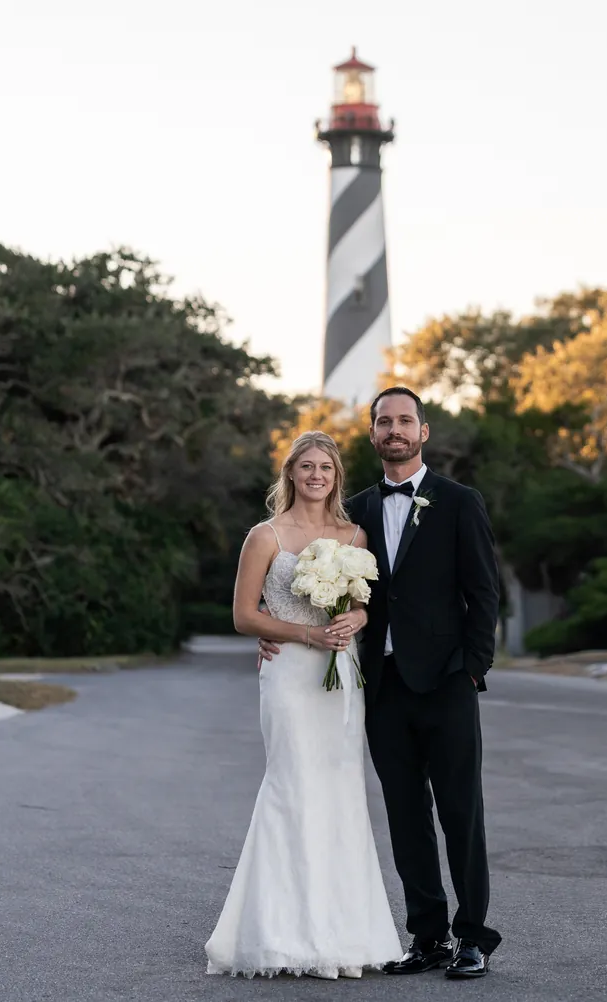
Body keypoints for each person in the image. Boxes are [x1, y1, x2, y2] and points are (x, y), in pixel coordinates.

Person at [260, 386, 503, 979]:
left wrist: (473, 668)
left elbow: (484, 592)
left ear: (423, 432)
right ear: (372, 434)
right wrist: (273, 630)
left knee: (461, 811)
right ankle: (428, 935)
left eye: (405, 421)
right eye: (384, 422)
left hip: (447, 682)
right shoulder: (355, 513)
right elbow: (308, 588)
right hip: (381, 684)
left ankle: (473, 936)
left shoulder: (459, 502)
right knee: (404, 813)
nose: (395, 430)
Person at [206, 431, 402, 979]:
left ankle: (343, 935)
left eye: (326, 468)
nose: (317, 475)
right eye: (307, 466)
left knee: (340, 791)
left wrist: (357, 618)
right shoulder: (265, 536)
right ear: (290, 472)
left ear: (337, 476)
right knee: (291, 787)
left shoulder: (354, 535)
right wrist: (305, 634)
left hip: (343, 675)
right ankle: (280, 935)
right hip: (291, 674)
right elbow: (244, 616)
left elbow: (364, 605)